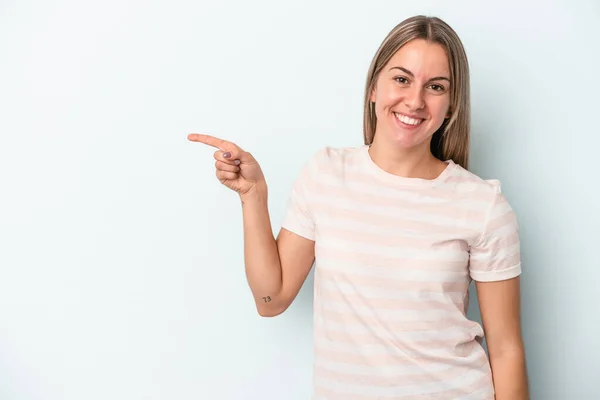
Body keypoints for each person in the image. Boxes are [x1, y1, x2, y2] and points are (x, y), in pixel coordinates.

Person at [188, 15, 528, 400]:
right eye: (402, 79)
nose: (415, 100)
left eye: (435, 87)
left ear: (450, 106)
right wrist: (253, 196)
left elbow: (506, 350)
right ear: (373, 88)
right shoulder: (326, 174)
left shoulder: (483, 205)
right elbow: (272, 299)